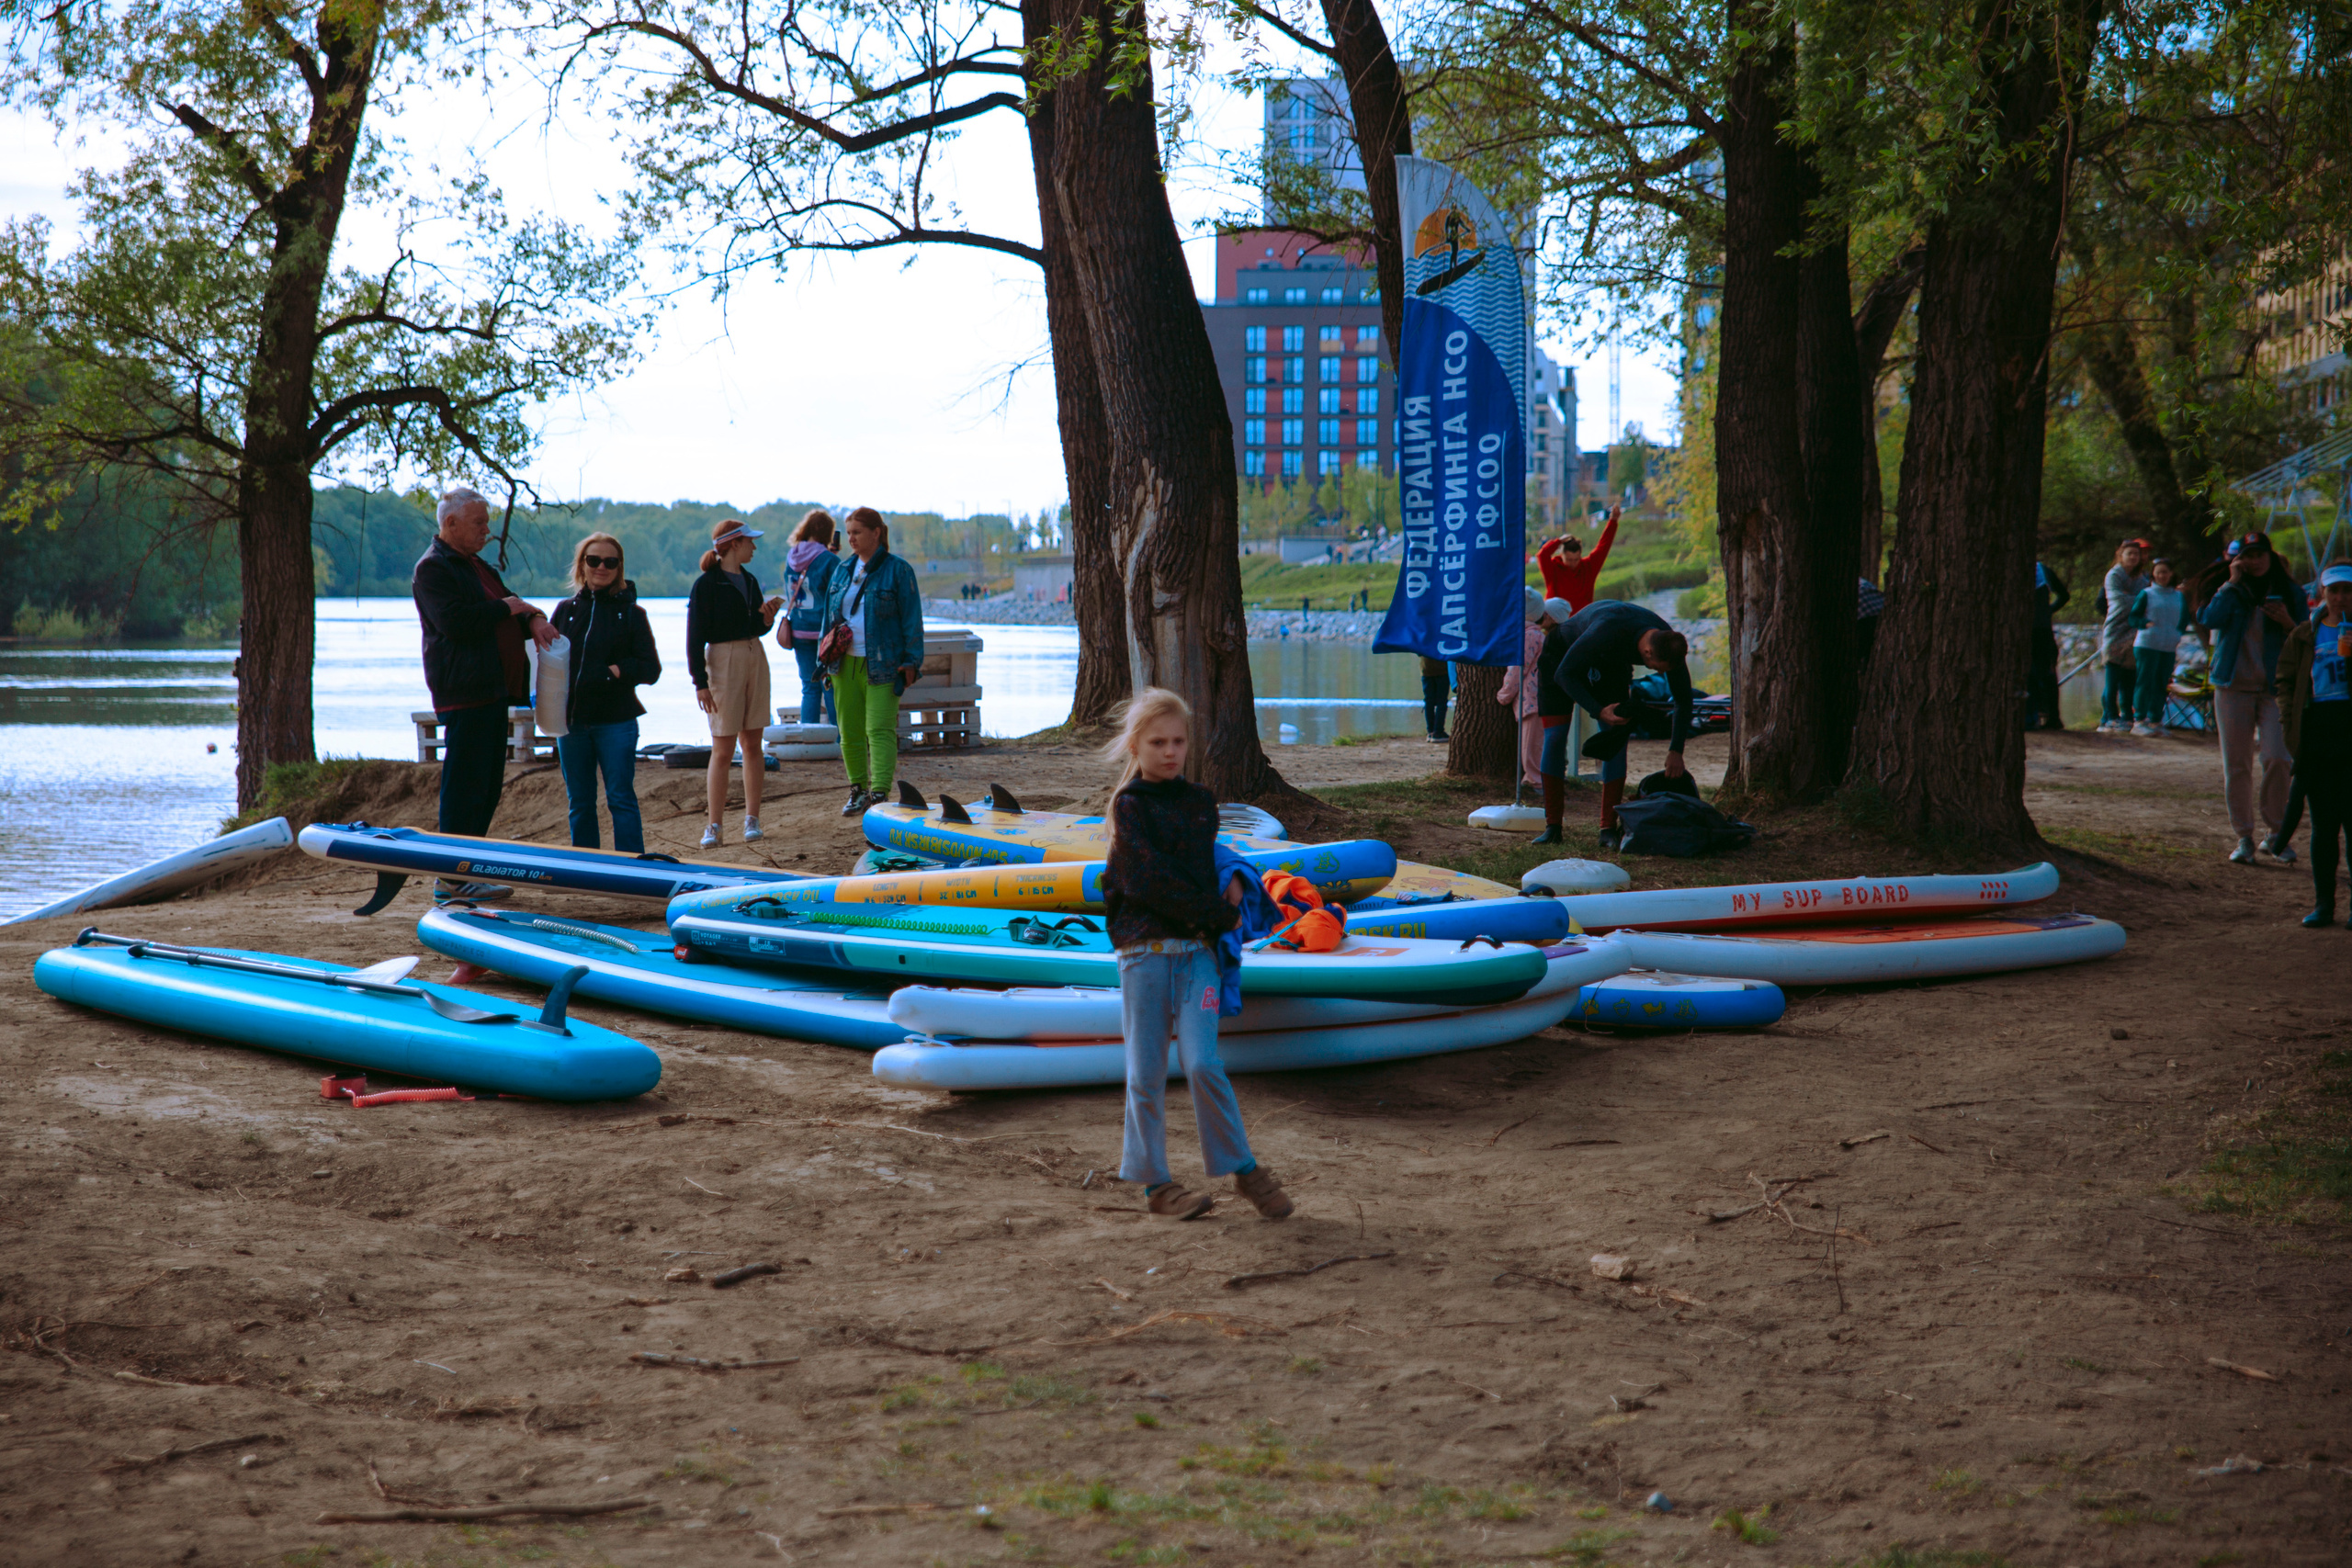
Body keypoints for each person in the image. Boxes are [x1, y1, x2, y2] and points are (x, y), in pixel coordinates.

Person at [1100, 687, 1292, 1222]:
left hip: (1197, 956)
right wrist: (1221, 915)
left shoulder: (1201, 802)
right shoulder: (1129, 806)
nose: (1170, 751)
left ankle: (1245, 1171)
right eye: (1158, 742)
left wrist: (1231, 879)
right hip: (1144, 955)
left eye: (1179, 741)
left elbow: (1197, 865)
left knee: (1204, 1062)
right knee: (1144, 1073)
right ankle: (1156, 1186)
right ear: (1136, 746)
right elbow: (1149, 881)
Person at [412, 485, 555, 902]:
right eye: (479, 523)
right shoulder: (433, 568)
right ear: (450, 523)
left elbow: (516, 603)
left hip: (495, 692)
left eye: (488, 523)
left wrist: (534, 619)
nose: (487, 531)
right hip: (464, 691)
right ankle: (450, 878)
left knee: (488, 785)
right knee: (464, 787)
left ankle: (467, 869)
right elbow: (455, 623)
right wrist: (508, 608)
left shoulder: (477, 567)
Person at [2198, 530, 2309, 865]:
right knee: (2237, 763)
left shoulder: (2289, 591)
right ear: (2239, 559)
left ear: (2270, 557)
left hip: (2276, 689)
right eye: (2248, 555)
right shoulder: (2231, 590)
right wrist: (2231, 582)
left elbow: (2308, 634)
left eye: (2261, 554)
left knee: (2278, 758)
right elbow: (2208, 619)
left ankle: (2276, 834)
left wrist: (2288, 622)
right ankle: (2243, 836)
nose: (2255, 561)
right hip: (2232, 686)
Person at [1550, 600, 1693, 851]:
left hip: (1610, 661)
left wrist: (1676, 750)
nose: (1661, 674)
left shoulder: (1667, 641)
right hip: (1563, 653)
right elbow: (1564, 674)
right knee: (1555, 736)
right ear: (1647, 653)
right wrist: (1597, 710)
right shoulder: (1607, 628)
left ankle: (1607, 829)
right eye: (1659, 670)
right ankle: (1552, 827)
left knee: (1617, 737)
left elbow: (1683, 698)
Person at [549, 532, 661, 852]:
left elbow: (651, 669)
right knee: (580, 802)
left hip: (617, 722)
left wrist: (614, 672)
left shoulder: (633, 615)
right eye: (593, 560)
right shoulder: (564, 611)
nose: (601, 567)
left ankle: (631, 868)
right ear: (582, 565)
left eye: (610, 562)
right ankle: (587, 867)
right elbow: (547, 664)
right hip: (572, 723)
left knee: (621, 798)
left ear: (619, 567)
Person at [820, 505, 924, 815]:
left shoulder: (899, 570)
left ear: (876, 533)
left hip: (885, 664)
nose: (851, 538)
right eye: (848, 532)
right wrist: (824, 663)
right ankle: (857, 790)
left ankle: (878, 795)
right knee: (848, 730)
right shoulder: (842, 571)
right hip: (843, 664)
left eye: (857, 532)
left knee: (878, 729)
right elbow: (827, 620)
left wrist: (911, 662)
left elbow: (912, 620)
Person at [687, 517, 781, 849]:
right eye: (750, 542)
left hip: (755, 655)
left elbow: (755, 625)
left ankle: (752, 818)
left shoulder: (751, 580)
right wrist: (700, 681)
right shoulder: (706, 584)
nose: (754, 547)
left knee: (753, 743)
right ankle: (714, 824)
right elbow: (695, 636)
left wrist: (766, 618)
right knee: (723, 747)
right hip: (723, 662)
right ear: (734, 544)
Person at [2278, 563, 2352, 925]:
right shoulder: (2304, 635)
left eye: (2347, 591)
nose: (2340, 598)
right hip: (2319, 734)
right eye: (2334, 591)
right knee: (2323, 825)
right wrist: (2289, 726)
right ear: (2322, 592)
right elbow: (2286, 682)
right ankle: (2324, 904)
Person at [779, 509, 842, 725]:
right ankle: (837, 738)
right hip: (824, 633)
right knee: (830, 685)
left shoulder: (791, 557)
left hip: (798, 630)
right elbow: (838, 594)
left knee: (809, 687)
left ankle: (810, 736)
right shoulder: (828, 560)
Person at [2126, 558, 2191, 739]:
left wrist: (2177, 633)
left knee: (2161, 683)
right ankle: (2139, 720)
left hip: (2168, 645)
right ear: (2153, 574)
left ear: (2171, 574)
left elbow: (2184, 618)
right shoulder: (2147, 594)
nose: (2162, 575)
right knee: (2145, 680)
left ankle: (2156, 720)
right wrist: (2145, 623)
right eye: (2159, 572)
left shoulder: (2179, 596)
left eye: (2165, 572)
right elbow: (2133, 617)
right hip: (2147, 644)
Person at [1496, 588, 1550, 790]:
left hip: (1531, 700)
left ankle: (1534, 781)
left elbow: (1518, 669)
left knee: (1530, 744)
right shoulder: (1534, 634)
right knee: (1533, 742)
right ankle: (1535, 779)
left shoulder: (1528, 637)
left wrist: (1504, 694)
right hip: (1535, 698)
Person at [2098, 539, 2152, 733]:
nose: (2133, 558)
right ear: (2121, 555)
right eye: (2130, 554)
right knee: (2112, 677)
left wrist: (2138, 600)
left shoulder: (2142, 578)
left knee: (2130, 677)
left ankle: (2127, 715)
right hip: (2115, 630)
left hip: (2135, 632)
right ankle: (2108, 717)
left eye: (2136, 555)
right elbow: (2118, 601)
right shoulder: (2113, 575)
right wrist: (2139, 601)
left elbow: (2149, 599)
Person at [1536, 504, 1621, 613]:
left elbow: (1603, 547)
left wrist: (1613, 521)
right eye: (1569, 560)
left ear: (1580, 555)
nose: (1573, 563)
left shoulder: (1588, 567)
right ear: (1562, 555)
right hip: (1555, 623)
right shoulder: (1553, 569)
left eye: (1576, 560)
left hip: (1581, 622)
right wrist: (1558, 541)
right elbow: (1542, 555)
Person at [2028, 559, 2070, 729]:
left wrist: (2048, 610)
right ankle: (2051, 716)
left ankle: (2035, 717)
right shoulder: (2042, 569)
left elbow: (2064, 596)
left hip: (2034, 629)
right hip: (2043, 628)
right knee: (2047, 673)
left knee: (2035, 672)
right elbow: (2064, 595)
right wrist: (2047, 611)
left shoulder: (2041, 569)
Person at [1419, 655, 1450, 742]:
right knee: (1442, 702)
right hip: (1442, 670)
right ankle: (1438, 732)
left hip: (1426, 669)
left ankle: (1430, 732)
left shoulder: (1423, 640)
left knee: (1429, 701)